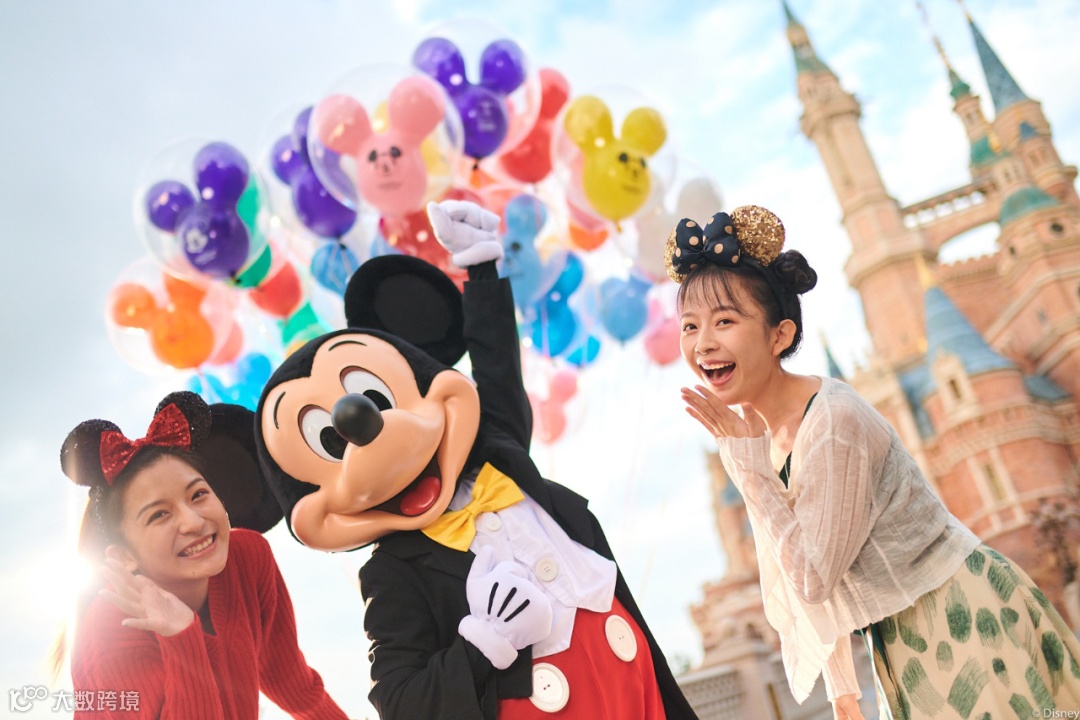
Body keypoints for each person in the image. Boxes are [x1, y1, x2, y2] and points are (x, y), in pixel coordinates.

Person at [669, 206, 1080, 719]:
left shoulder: (832, 420)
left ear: (779, 335)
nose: (703, 343)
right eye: (690, 326)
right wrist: (843, 690)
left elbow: (812, 577)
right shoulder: (768, 439)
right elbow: (808, 572)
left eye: (725, 321)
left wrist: (746, 468)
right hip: (903, 639)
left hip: (957, 619)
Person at [59, 391, 349, 720]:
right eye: (159, 515)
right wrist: (180, 636)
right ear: (125, 555)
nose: (194, 522)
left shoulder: (248, 558)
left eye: (198, 494)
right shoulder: (111, 627)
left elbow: (294, 687)